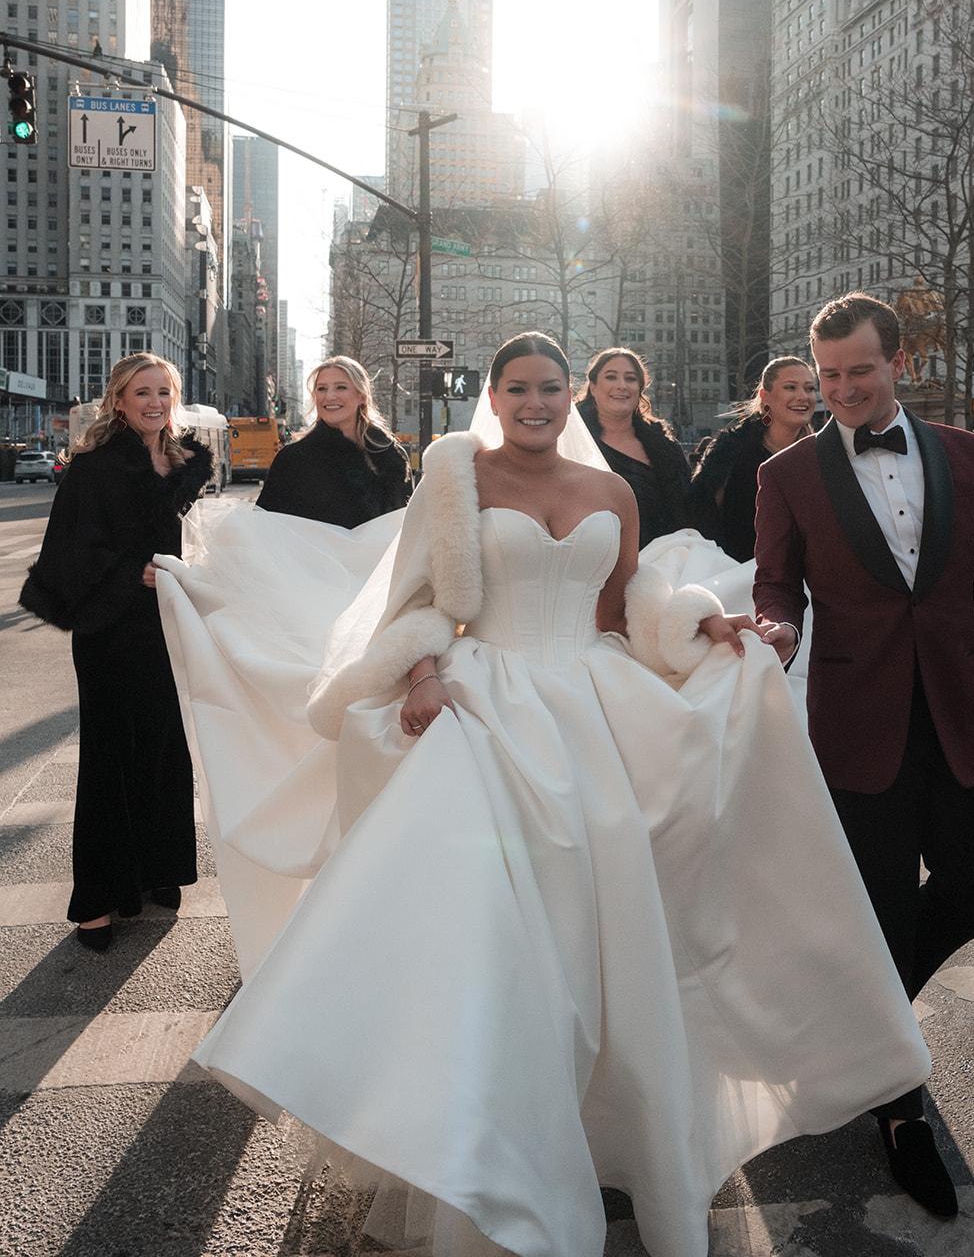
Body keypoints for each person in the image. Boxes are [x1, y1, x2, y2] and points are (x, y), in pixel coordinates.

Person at [164, 330, 929, 1257]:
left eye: (551, 389)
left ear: (571, 397)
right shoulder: (454, 477)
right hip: (483, 709)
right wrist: (419, 675)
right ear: (493, 394)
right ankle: (502, 1152)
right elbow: (416, 603)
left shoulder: (610, 491)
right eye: (519, 388)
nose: (537, 403)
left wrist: (694, 624)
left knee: (607, 930)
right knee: (501, 938)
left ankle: (606, 1127)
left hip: (591, 706)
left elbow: (624, 606)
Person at [753, 293, 974, 1220]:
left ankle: (855, 1014)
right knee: (884, 910)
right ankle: (899, 1111)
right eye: (827, 375)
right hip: (856, 723)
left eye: (858, 371)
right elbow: (777, 578)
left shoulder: (967, 456)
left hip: (961, 713)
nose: (841, 390)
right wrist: (777, 625)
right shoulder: (787, 475)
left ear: (898, 366)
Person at [19, 353, 213, 950]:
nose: (154, 402)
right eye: (141, 392)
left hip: (167, 625)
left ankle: (160, 868)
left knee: (163, 747)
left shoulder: (184, 464)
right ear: (120, 401)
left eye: (163, 392)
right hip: (110, 630)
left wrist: (189, 574)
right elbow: (73, 553)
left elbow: (197, 543)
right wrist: (139, 575)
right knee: (110, 757)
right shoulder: (94, 467)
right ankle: (97, 901)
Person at [257, 356, 411, 528]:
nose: (329, 396)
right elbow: (265, 528)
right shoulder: (292, 459)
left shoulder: (392, 458)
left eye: (340, 387)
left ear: (361, 396)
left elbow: (407, 531)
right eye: (321, 388)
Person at [690, 356, 816, 562]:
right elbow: (702, 516)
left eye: (809, 388)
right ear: (765, 396)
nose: (803, 396)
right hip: (740, 575)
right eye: (790, 387)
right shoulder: (731, 450)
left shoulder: (821, 455)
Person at [575, 348, 691, 547]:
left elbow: (689, 510)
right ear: (593, 387)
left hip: (664, 557)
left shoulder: (666, 448)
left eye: (630, 379)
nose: (622, 386)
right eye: (611, 377)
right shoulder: (575, 441)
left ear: (640, 388)